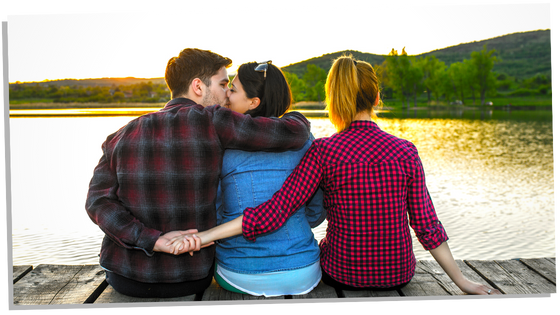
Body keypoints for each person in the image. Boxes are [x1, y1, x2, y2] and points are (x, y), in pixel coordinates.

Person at [169, 55, 502, 295]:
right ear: (375, 98)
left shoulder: (325, 150)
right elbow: (427, 226)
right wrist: (461, 281)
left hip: (344, 273)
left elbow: (273, 214)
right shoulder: (406, 151)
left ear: (333, 99)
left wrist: (204, 236)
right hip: (400, 272)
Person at [85, 48, 311, 298]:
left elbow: (97, 203)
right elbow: (291, 133)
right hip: (190, 277)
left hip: (125, 277)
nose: (227, 93)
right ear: (198, 87)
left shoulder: (119, 136)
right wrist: (299, 119)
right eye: (223, 84)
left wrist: (154, 240)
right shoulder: (213, 120)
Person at [212, 61, 325, 296]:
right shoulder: (305, 139)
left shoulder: (222, 143)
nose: (227, 95)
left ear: (254, 103)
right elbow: (315, 213)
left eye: (233, 89)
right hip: (304, 270)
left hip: (240, 272)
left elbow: (215, 213)